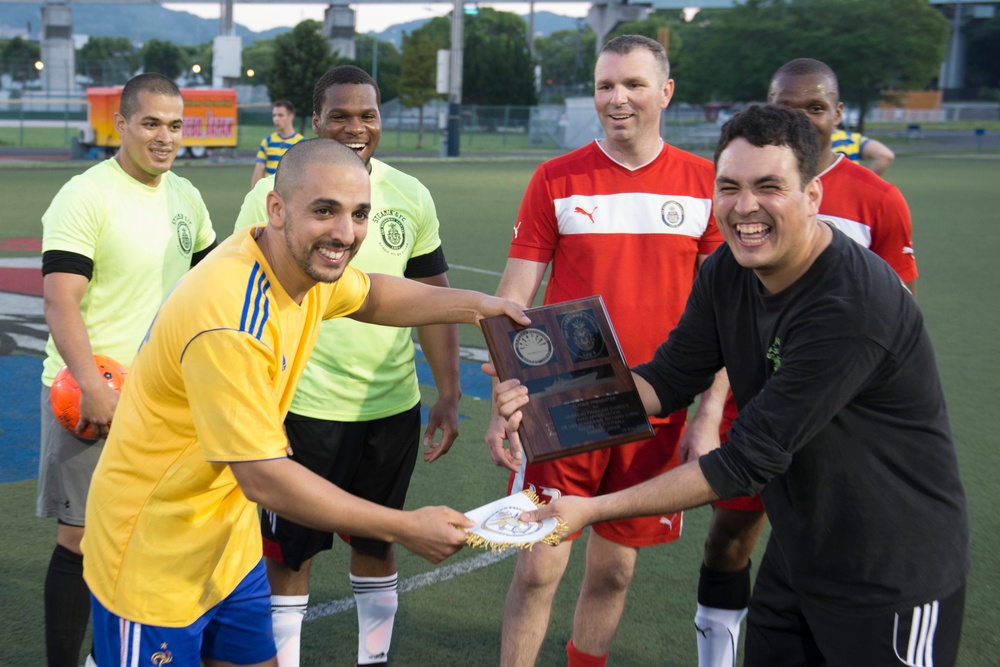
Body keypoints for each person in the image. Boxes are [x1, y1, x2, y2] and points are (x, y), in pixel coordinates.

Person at [501, 104, 970, 667]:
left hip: (891, 571)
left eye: (769, 186)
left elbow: (745, 461)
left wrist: (593, 509)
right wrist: (550, 408)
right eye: (729, 187)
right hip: (799, 556)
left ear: (813, 196)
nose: (745, 207)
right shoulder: (729, 270)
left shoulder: (852, 305)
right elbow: (670, 377)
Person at [81, 138, 528, 667]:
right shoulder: (230, 319)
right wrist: (403, 526)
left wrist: (480, 307)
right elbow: (264, 477)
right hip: (154, 560)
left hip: (226, 546)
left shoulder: (299, 267)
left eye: (359, 213)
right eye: (324, 211)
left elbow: (376, 295)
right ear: (276, 209)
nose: (345, 233)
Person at [485, 35, 726, 667]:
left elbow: (731, 314)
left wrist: (708, 415)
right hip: (562, 406)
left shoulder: (706, 185)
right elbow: (515, 297)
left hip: (657, 409)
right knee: (538, 567)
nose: (616, 99)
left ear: (665, 92)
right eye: (604, 86)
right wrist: (503, 405)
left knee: (614, 571)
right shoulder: (556, 179)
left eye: (633, 85)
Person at [685, 57, 921, 667]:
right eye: (784, 105)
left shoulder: (878, 202)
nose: (798, 118)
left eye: (814, 107)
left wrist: (594, 508)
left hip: (834, 417)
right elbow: (702, 344)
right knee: (734, 537)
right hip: (754, 399)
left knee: (824, 535)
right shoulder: (739, 214)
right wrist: (708, 410)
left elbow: (895, 316)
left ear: (838, 116)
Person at [235, 65, 460, 666]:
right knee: (289, 556)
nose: (356, 128)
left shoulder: (410, 195)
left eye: (368, 115)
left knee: (378, 540)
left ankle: (373, 660)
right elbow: (241, 300)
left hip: (389, 407)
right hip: (301, 409)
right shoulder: (270, 196)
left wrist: (448, 392)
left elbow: (431, 299)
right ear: (316, 122)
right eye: (341, 115)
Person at [37, 72, 217, 667]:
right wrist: (90, 384)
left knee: (142, 538)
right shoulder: (85, 195)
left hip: (161, 398)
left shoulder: (186, 196)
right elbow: (60, 299)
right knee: (83, 539)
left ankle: (104, 658)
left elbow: (208, 286)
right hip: (91, 394)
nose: (164, 138)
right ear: (122, 124)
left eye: (174, 125)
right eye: (151, 124)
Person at [251, 100, 305, 188]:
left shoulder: (301, 143)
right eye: (274, 115)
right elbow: (259, 169)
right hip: (269, 192)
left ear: (291, 117)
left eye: (280, 115)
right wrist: (254, 194)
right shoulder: (267, 141)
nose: (276, 119)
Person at [831, 127, 895, 175]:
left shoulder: (822, 139)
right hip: (850, 188)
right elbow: (885, 155)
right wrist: (864, 182)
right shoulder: (851, 138)